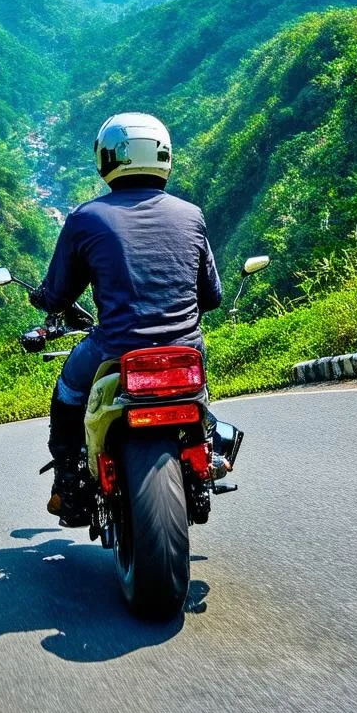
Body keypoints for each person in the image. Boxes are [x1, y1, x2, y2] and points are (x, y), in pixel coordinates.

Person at [29, 112, 222, 524]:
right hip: (185, 347)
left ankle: (68, 481)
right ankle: (209, 445)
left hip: (114, 347)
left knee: (67, 392)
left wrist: (41, 299)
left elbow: (58, 295)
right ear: (164, 155)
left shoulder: (86, 218)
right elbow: (213, 295)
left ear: (107, 159)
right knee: (201, 392)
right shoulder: (192, 214)